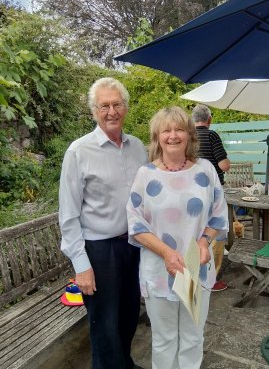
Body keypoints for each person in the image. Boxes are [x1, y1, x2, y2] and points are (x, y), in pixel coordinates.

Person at [126, 106, 228, 369]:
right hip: (159, 271)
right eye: (166, 130)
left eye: (179, 129)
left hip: (197, 270)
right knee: (163, 339)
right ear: (157, 136)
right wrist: (167, 253)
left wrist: (205, 241)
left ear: (190, 134)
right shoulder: (145, 174)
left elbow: (218, 215)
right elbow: (136, 224)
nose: (173, 135)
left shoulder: (205, 170)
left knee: (193, 337)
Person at [59, 77, 147, 369]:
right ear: (94, 111)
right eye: (104, 105)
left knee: (129, 313)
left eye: (117, 104)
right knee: (105, 325)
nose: (111, 111)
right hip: (99, 251)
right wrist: (81, 265)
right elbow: (68, 214)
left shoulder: (137, 148)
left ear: (126, 107)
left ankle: (125, 363)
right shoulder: (78, 151)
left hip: (134, 245)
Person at [191, 104, 231, 292]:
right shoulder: (211, 135)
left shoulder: (188, 136)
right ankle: (211, 278)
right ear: (209, 119)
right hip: (211, 192)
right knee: (216, 232)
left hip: (191, 191)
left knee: (196, 231)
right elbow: (223, 166)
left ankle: (194, 274)